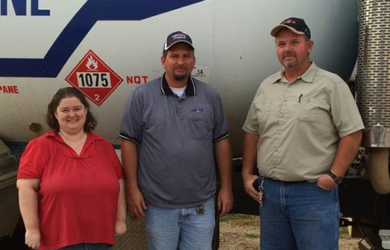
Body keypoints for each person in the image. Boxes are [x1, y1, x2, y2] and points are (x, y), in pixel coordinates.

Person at [242, 17, 364, 250]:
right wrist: (248, 173)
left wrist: (334, 176)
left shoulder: (330, 85)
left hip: (313, 194)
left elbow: (352, 132)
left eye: (294, 42)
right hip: (271, 195)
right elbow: (251, 130)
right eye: (281, 43)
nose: (287, 48)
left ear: (309, 45)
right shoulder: (267, 86)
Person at [120, 31, 233, 250]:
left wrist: (226, 187)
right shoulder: (142, 96)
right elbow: (129, 143)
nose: (180, 61)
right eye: (174, 56)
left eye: (186, 56)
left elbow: (221, 142)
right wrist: (132, 189)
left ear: (194, 61)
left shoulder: (210, 95)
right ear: (163, 61)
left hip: (201, 204)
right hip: (158, 206)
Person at [17, 87, 127, 250]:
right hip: (58, 240)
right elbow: (25, 188)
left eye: (77, 109)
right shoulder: (40, 146)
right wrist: (31, 229)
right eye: (65, 110)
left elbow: (118, 183)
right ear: (55, 114)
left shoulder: (103, 146)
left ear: (86, 111)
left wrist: (120, 220)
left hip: (100, 239)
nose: (72, 114)